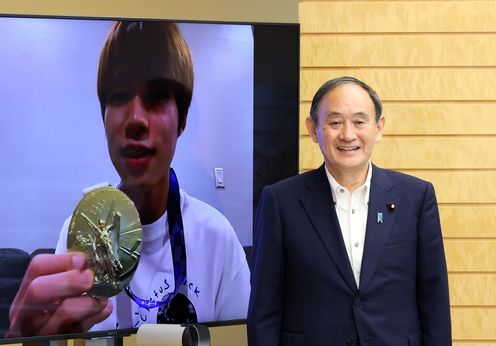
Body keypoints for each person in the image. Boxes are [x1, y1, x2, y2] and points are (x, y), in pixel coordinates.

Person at [6, 21, 250, 338]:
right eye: (119, 95)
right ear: (103, 117)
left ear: (183, 120)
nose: (135, 120)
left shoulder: (217, 237)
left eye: (158, 96)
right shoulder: (76, 234)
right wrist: (26, 342)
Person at [247, 76, 451, 345]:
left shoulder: (415, 198)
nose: (348, 134)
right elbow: (264, 310)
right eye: (334, 122)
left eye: (359, 121)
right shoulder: (280, 201)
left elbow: (434, 301)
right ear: (312, 129)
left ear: (378, 127)